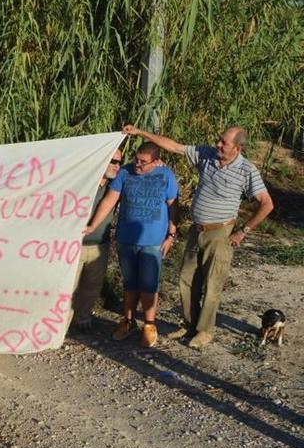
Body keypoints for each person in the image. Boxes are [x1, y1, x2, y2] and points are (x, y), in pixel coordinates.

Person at [123, 124, 274, 348]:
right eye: (219, 139)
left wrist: (243, 231)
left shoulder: (247, 171)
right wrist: (141, 132)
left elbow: (267, 204)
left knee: (212, 284)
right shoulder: (206, 156)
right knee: (186, 279)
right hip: (197, 230)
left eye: (224, 143)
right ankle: (188, 324)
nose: (218, 144)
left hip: (221, 233)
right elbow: (173, 146)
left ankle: (204, 331)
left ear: (238, 149)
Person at [84, 143, 178, 347]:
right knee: (130, 282)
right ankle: (127, 320)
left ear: (155, 161)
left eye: (143, 162)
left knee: (149, 284)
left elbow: (172, 204)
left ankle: (150, 324)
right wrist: (92, 225)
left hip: (153, 240)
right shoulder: (125, 172)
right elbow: (110, 200)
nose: (138, 164)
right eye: (136, 159)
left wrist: (171, 234)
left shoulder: (166, 175)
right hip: (126, 239)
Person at [69, 147, 123, 331]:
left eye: (120, 162)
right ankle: (62, 323)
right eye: (113, 161)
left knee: (92, 285)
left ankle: (82, 318)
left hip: (100, 244)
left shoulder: (116, 187)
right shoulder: (83, 183)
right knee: (69, 286)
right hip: (75, 244)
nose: (117, 166)